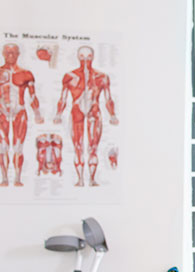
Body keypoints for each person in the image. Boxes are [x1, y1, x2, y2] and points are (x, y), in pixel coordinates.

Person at [55, 45, 118, 187]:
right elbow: (63, 98)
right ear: (78, 57)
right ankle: (80, 179)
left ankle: (92, 179)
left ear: (93, 57)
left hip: (94, 111)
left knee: (93, 147)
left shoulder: (102, 77)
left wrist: (112, 115)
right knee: (78, 147)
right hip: (76, 111)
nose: (85, 60)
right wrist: (58, 114)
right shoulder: (69, 76)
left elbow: (108, 98)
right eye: (82, 57)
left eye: (89, 57)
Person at [0, 43, 44, 186]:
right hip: (1, 113)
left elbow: (32, 96)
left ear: (18, 54)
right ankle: (4, 178)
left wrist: (37, 114)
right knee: (3, 147)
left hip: (19, 112)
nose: (10, 55)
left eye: (13, 52)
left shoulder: (26, 74)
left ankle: (17, 178)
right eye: (7, 52)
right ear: (3, 54)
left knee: (18, 147)